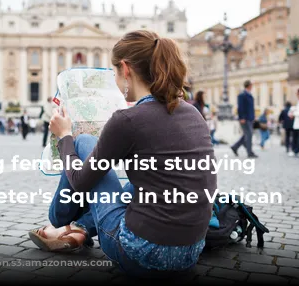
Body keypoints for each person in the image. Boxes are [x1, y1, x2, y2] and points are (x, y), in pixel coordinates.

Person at [28, 30, 216, 279]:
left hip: (140, 254)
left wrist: (65, 137)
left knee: (83, 142)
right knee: (132, 188)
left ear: (125, 69)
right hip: (189, 253)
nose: (115, 81)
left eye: (114, 73)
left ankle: (59, 222)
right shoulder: (193, 114)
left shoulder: (128, 120)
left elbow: (80, 181)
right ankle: (80, 228)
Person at [231, 80, 258, 158]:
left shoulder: (249, 95)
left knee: (247, 134)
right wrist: (242, 117)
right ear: (249, 86)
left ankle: (235, 147)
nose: (252, 87)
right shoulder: (242, 95)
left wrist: (253, 117)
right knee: (249, 135)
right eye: (251, 85)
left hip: (249, 118)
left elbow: (251, 108)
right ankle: (250, 152)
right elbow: (240, 107)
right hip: (245, 119)